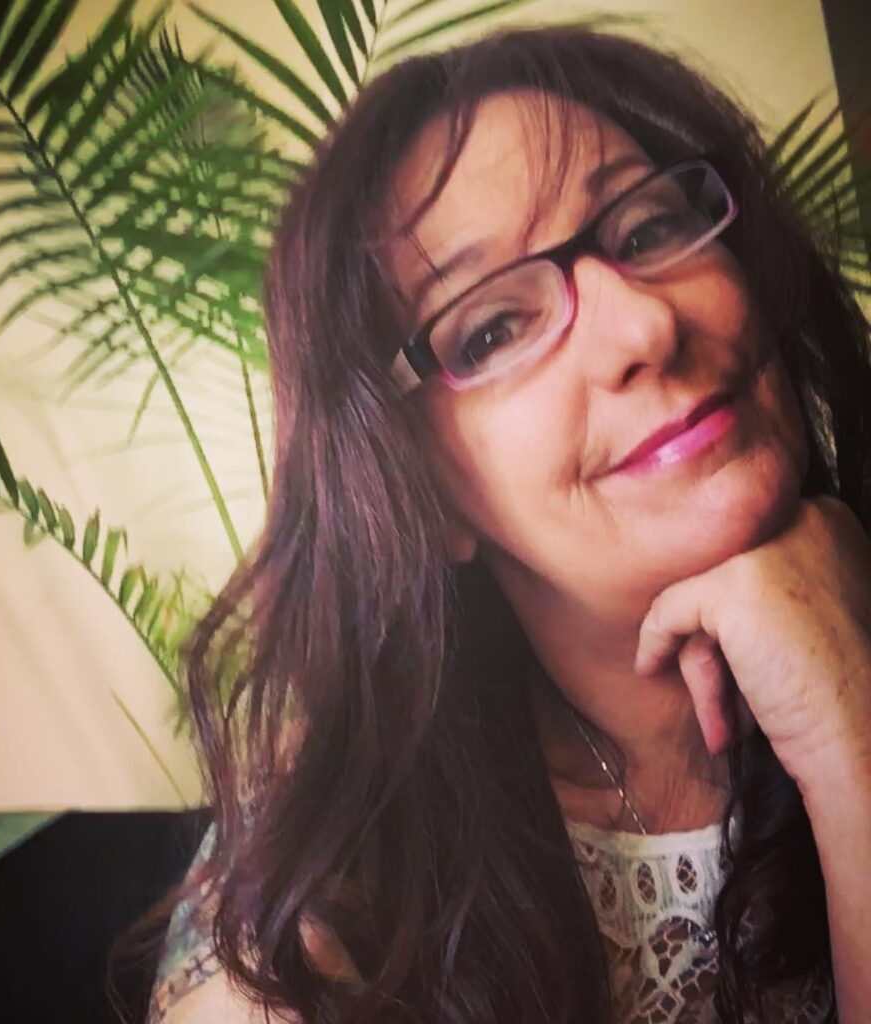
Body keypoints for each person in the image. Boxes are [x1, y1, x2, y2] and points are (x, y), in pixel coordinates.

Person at [149, 25, 871, 1024]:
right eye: (493, 328)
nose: (645, 325)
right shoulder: (343, 868)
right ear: (425, 492)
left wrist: (849, 725)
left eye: (648, 230)